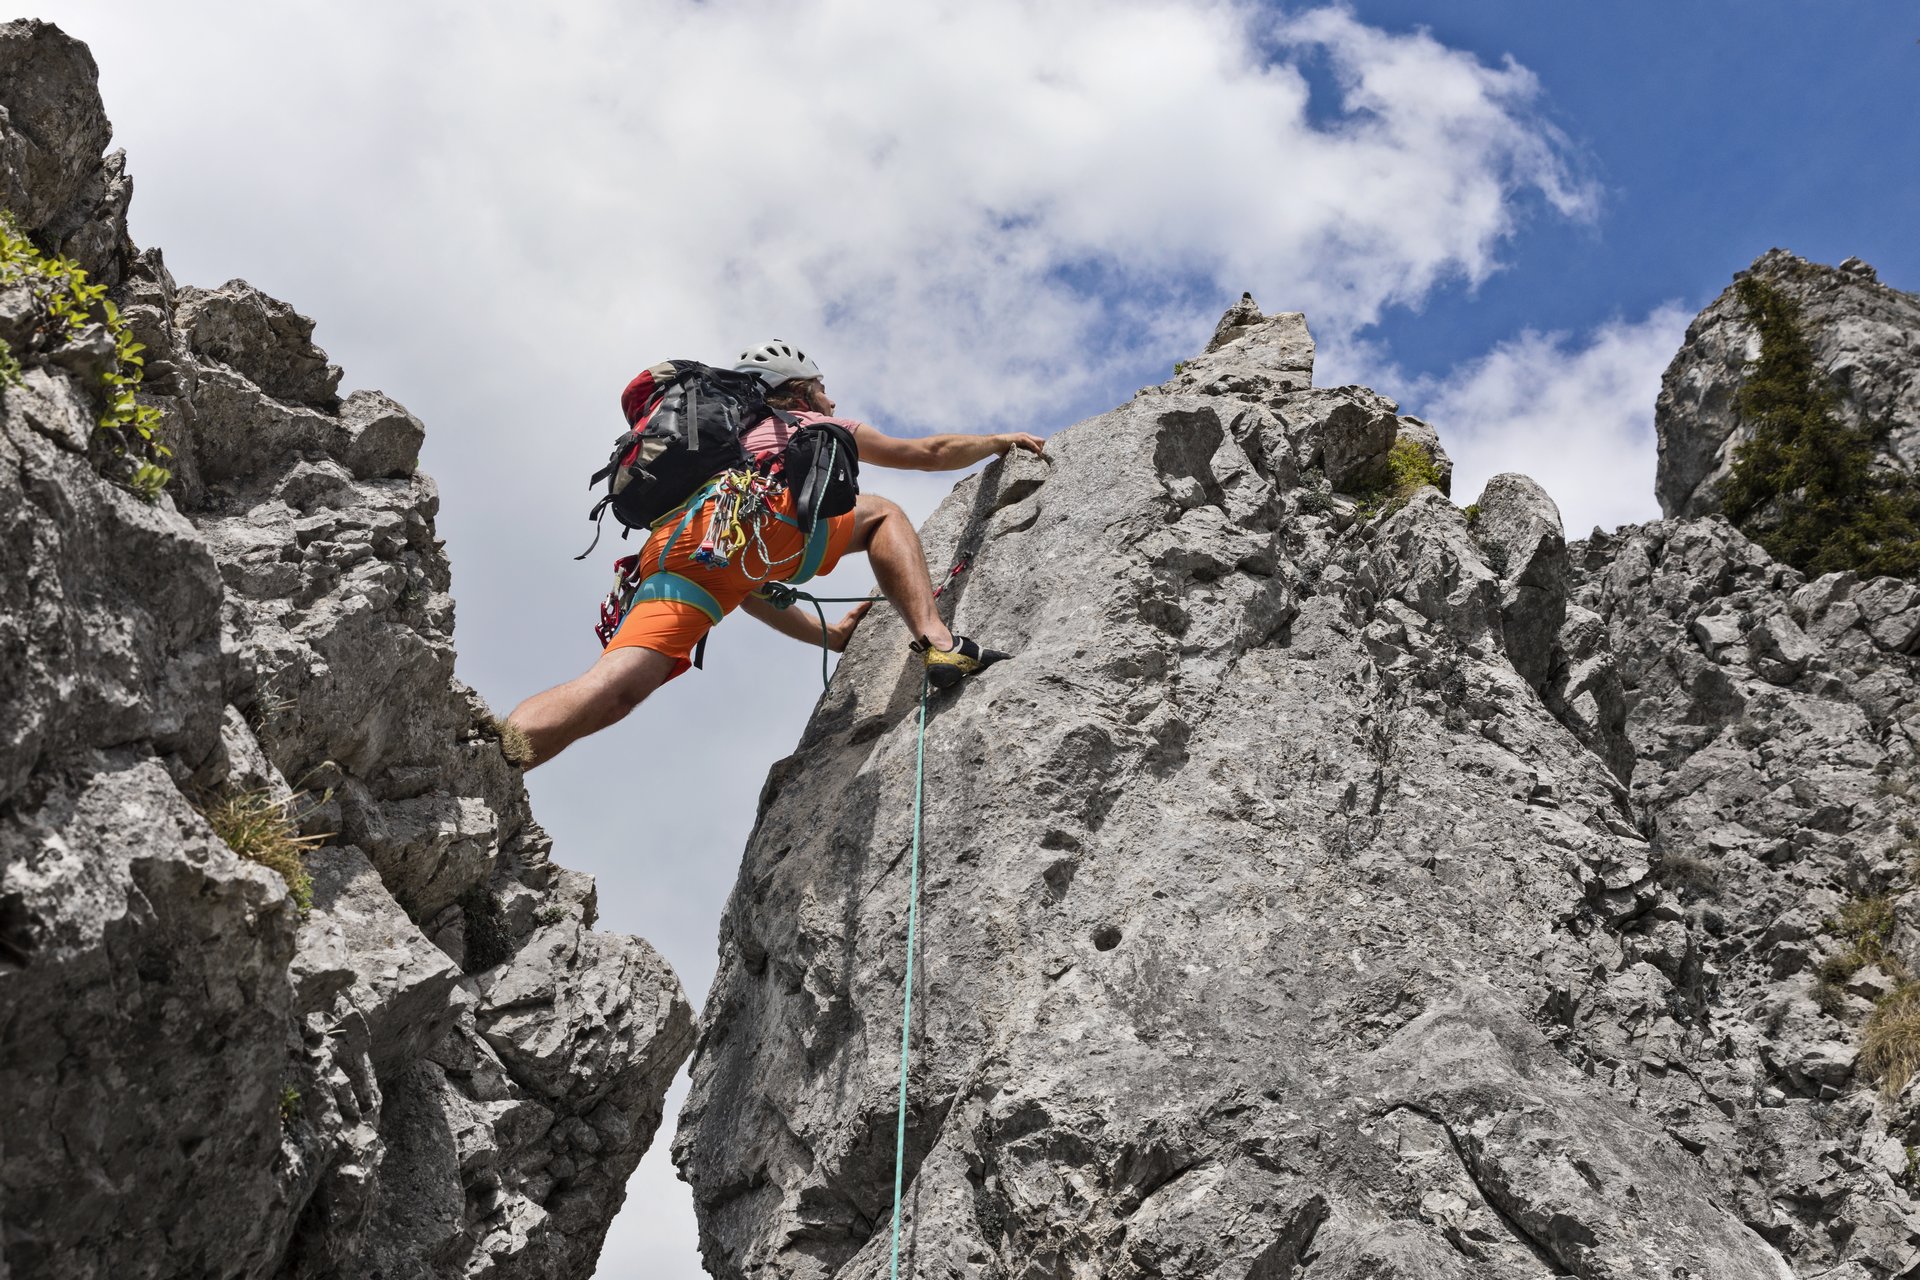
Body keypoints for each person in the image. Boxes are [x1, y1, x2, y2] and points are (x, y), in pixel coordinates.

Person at [503, 340, 1046, 769]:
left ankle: (496, 752)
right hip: (758, 518)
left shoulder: (728, 444)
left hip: (679, 545)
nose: (832, 401)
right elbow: (927, 454)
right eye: (823, 389)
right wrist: (997, 441)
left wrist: (829, 635)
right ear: (800, 391)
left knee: (612, 687)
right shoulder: (806, 423)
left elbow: (741, 583)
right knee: (882, 513)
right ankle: (941, 643)